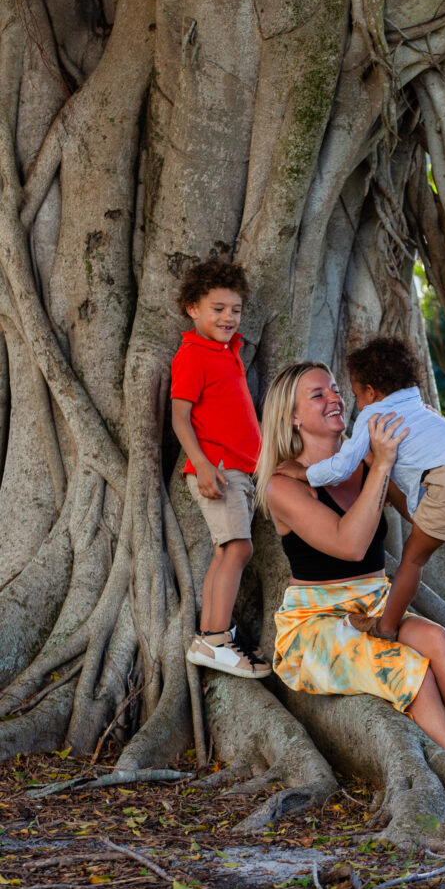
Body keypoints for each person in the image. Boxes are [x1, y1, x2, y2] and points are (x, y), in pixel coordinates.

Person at [256, 360, 445, 779]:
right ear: (292, 417)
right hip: (316, 623)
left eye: (335, 389)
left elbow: (424, 515)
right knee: (411, 671)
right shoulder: (284, 485)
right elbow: (349, 546)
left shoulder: (368, 461)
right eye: (318, 395)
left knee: (438, 640)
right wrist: (383, 465)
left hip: (375, 607)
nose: (334, 398)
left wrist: (444, 459)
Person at [171, 258, 270, 678]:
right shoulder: (193, 354)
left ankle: (211, 638)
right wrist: (205, 464)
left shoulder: (228, 351)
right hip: (219, 470)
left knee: (226, 550)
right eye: (218, 309)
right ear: (193, 308)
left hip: (241, 471)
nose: (228, 317)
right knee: (239, 549)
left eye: (235, 309)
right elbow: (180, 415)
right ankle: (215, 640)